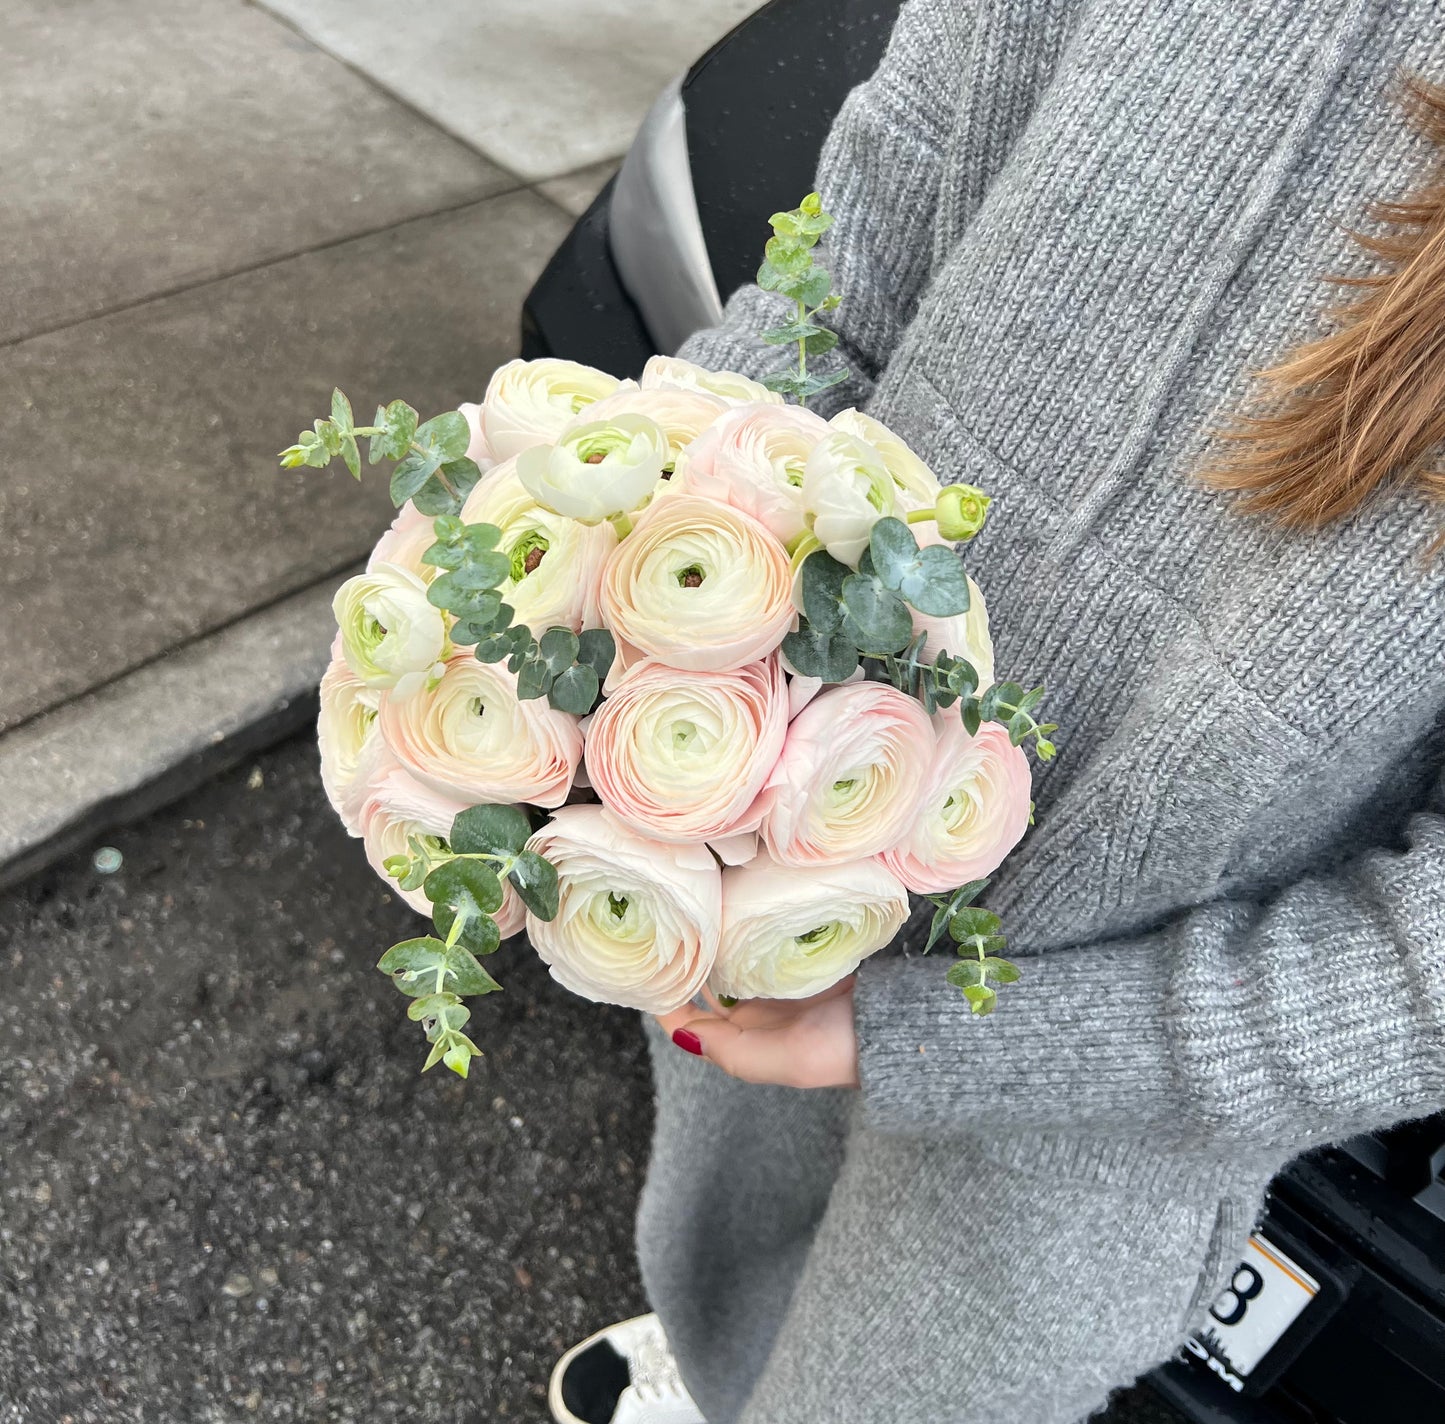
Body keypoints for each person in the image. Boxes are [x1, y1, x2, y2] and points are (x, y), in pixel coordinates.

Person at [549, 0, 1445, 1419]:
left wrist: (967, 1041)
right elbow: (839, 283)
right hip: (767, 842)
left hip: (1092, 1106)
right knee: (710, 1260)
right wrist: (616, 575)